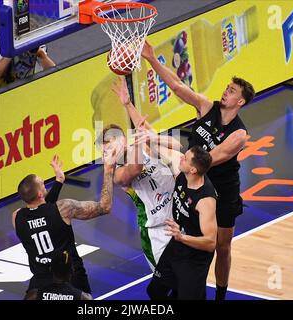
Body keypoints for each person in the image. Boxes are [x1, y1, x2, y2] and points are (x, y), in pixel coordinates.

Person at [141, 40, 255, 300]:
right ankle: (182, 285)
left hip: (221, 189)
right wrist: (151, 58)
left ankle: (220, 295)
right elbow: (178, 87)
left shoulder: (239, 133)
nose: (226, 92)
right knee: (185, 235)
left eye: (232, 90)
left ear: (241, 101)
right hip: (194, 182)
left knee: (221, 246)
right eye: (227, 87)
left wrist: (181, 159)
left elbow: (211, 158)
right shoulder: (207, 107)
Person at [99, 77, 182, 271]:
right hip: (156, 232)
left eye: (110, 145)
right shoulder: (118, 174)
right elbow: (135, 168)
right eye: (104, 150)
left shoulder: (144, 145)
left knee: (191, 282)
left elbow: (177, 145)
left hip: (179, 219)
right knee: (166, 287)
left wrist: (128, 105)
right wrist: (137, 138)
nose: (108, 152)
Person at [12, 152, 115, 299]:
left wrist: (59, 180)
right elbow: (105, 207)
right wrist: (108, 169)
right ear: (41, 194)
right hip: (69, 276)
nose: (45, 185)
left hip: (40, 283)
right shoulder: (64, 208)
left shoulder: (17, 217)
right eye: (43, 184)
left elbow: (42, 210)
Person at [143, 142, 217, 300]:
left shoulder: (205, 201)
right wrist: (145, 132)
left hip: (195, 258)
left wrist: (181, 237)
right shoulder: (184, 174)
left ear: (193, 170)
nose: (181, 157)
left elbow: (210, 243)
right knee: (155, 291)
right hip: (177, 246)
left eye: (186, 158)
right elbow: (159, 146)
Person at [0, 11, 55, 87]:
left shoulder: (36, 39)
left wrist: (41, 54)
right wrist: (12, 51)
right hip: (5, 87)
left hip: (30, 83)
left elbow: (54, 71)